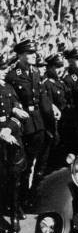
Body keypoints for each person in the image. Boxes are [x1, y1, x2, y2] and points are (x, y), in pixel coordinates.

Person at [6, 39, 52, 205]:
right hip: (23, 124)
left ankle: (30, 198)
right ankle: (18, 201)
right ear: (20, 55)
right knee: (23, 165)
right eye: (29, 53)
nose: (34, 56)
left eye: (34, 52)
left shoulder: (35, 72)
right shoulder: (12, 75)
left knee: (35, 162)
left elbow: (41, 98)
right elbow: (10, 101)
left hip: (38, 122)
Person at [0, 54, 26, 233]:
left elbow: (19, 112)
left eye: (4, 69)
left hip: (12, 138)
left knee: (15, 179)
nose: (4, 72)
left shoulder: (9, 87)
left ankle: (14, 213)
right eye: (0, 69)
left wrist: (9, 128)